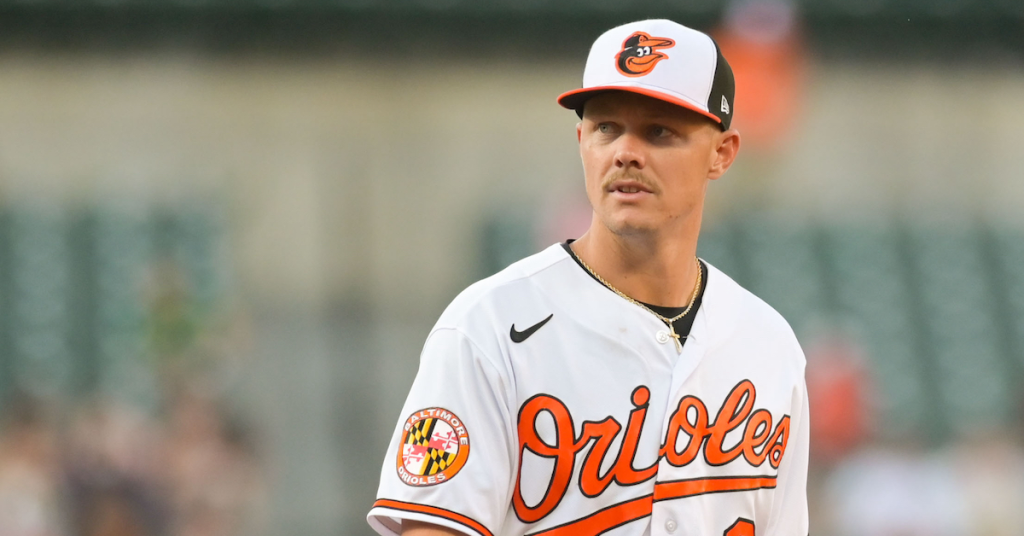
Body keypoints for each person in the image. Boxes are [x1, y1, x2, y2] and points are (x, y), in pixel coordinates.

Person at [367, 18, 809, 536]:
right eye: (606, 128)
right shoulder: (486, 328)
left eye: (659, 131)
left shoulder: (768, 343)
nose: (625, 152)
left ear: (722, 153)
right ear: (581, 141)